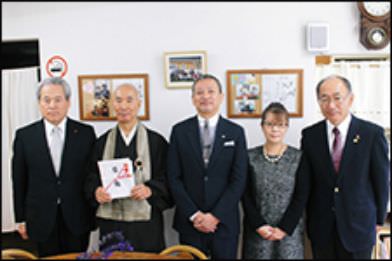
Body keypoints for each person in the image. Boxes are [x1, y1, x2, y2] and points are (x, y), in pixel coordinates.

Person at [270, 75, 390, 259]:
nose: (331, 105)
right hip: (322, 226)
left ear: (351, 99)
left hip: (359, 226)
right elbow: (306, 184)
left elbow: (382, 180)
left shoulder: (372, 133)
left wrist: (379, 218)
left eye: (337, 97)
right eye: (324, 99)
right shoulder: (310, 135)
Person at [12, 77, 96, 257]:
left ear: (68, 102)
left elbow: (92, 175)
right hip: (40, 216)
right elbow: (19, 179)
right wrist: (20, 218)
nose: (52, 105)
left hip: (77, 215)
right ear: (39, 103)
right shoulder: (25, 136)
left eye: (58, 100)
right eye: (46, 100)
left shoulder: (85, 133)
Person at [167, 74, 248, 259]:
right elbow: (174, 177)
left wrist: (215, 216)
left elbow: (239, 179)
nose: (205, 96)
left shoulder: (235, 132)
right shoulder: (179, 131)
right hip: (190, 222)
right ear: (193, 98)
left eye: (211, 91)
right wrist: (195, 215)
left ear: (221, 96)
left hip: (224, 222)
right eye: (199, 92)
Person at [84, 83, 172, 252]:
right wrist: (96, 191)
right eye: (118, 100)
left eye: (129, 100)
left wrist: (150, 190)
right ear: (112, 105)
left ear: (139, 104)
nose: (123, 106)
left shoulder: (156, 142)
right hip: (112, 223)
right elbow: (90, 176)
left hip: (146, 224)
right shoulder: (101, 143)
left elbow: (168, 177)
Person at [242, 102, 304, 259]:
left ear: (286, 127)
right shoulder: (249, 156)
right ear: (262, 126)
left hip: (289, 232)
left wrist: (284, 228)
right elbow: (245, 194)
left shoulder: (299, 157)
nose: (275, 129)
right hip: (258, 230)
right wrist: (259, 225)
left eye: (280, 125)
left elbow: (301, 196)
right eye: (270, 124)